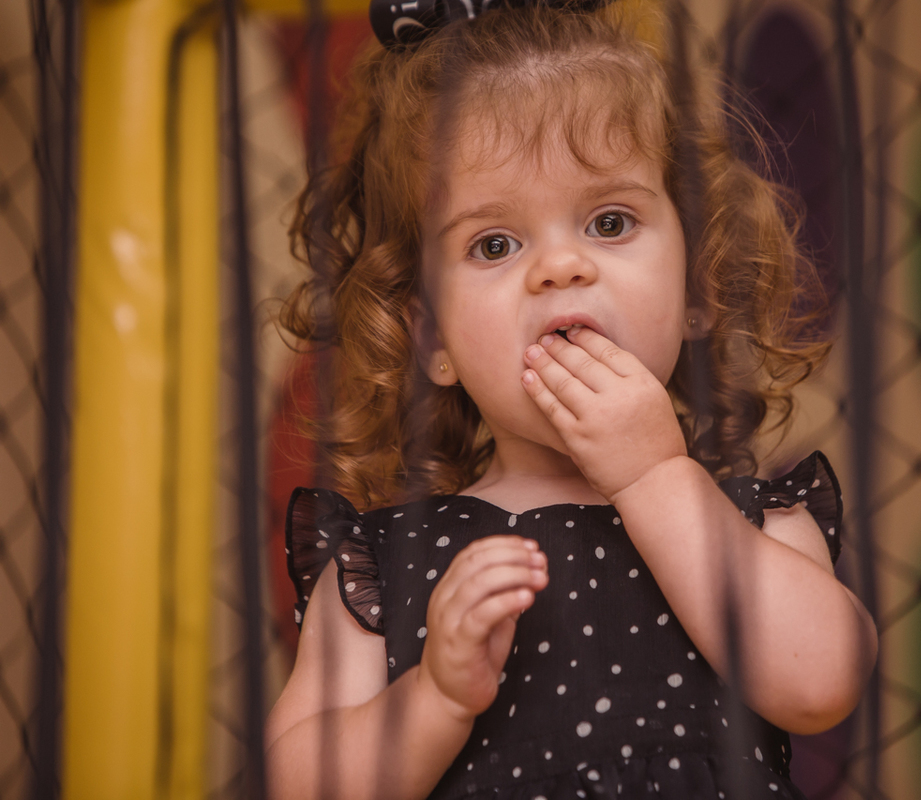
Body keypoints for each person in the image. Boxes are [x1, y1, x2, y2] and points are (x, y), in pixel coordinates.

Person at [265, 3, 878, 798]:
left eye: (610, 221)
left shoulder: (755, 524)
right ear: (432, 336)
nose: (560, 266)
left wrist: (654, 476)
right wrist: (433, 699)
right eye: (494, 244)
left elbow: (822, 681)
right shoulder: (385, 563)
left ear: (697, 285)